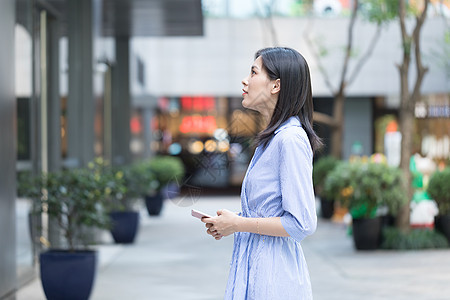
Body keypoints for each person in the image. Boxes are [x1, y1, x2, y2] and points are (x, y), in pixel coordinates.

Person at [201, 47, 322, 299]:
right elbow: (270, 210)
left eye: (254, 72)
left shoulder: (290, 139)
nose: (245, 80)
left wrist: (239, 223)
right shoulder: (271, 140)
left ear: (275, 86)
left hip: (275, 278)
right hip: (255, 269)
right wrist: (231, 222)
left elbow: (302, 223)